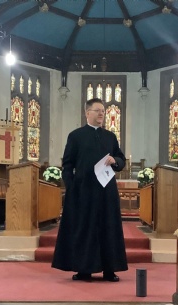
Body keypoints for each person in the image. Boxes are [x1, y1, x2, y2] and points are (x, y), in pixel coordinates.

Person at [52, 98, 128, 282]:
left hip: (106, 192)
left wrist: (115, 161)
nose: (101, 113)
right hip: (83, 192)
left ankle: (110, 270)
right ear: (87, 113)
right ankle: (84, 270)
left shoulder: (110, 137)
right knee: (85, 230)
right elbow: (67, 165)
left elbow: (121, 159)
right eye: (97, 110)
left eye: (103, 111)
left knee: (108, 228)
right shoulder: (76, 136)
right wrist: (72, 187)